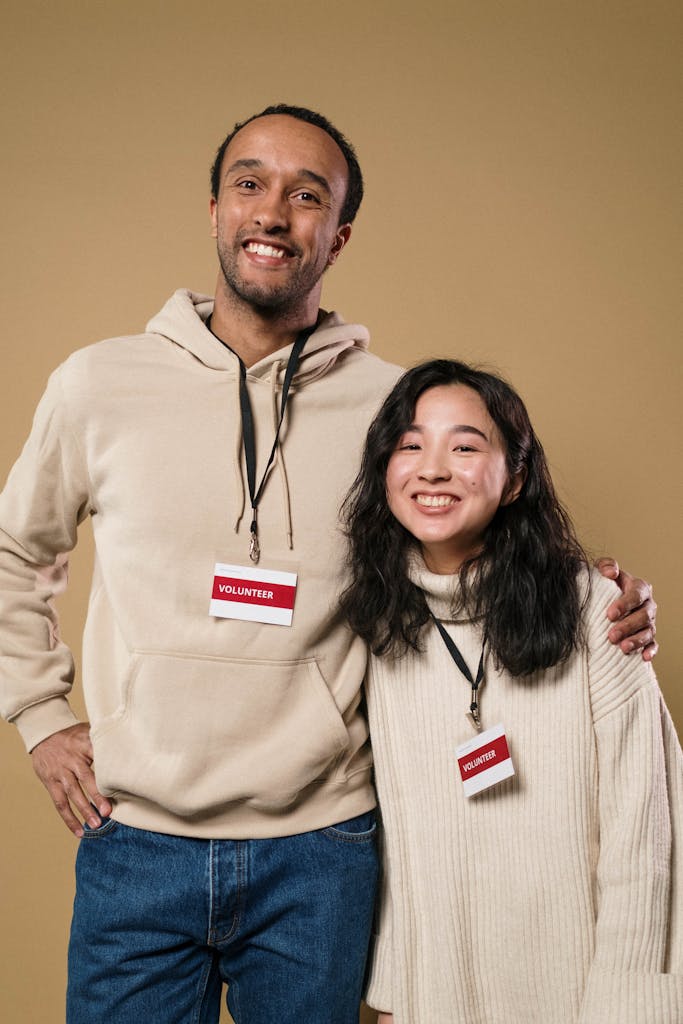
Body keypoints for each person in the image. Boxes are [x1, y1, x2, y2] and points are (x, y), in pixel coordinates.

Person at [0, 106, 656, 1023]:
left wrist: (601, 596)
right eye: (250, 184)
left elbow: (469, 537)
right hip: (135, 842)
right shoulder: (98, 385)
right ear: (215, 209)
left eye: (306, 196)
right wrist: (37, 712)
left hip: (324, 851)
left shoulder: (392, 406)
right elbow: (14, 550)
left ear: (337, 236)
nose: (273, 212)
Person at [340, 359, 682, 1023]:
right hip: (431, 1003)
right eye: (409, 445)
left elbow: (646, 836)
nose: (432, 469)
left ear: (516, 477)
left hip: (583, 1000)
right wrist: (393, 997)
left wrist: (628, 1008)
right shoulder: (377, 624)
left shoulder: (595, 612)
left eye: (464, 446)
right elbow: (396, 847)